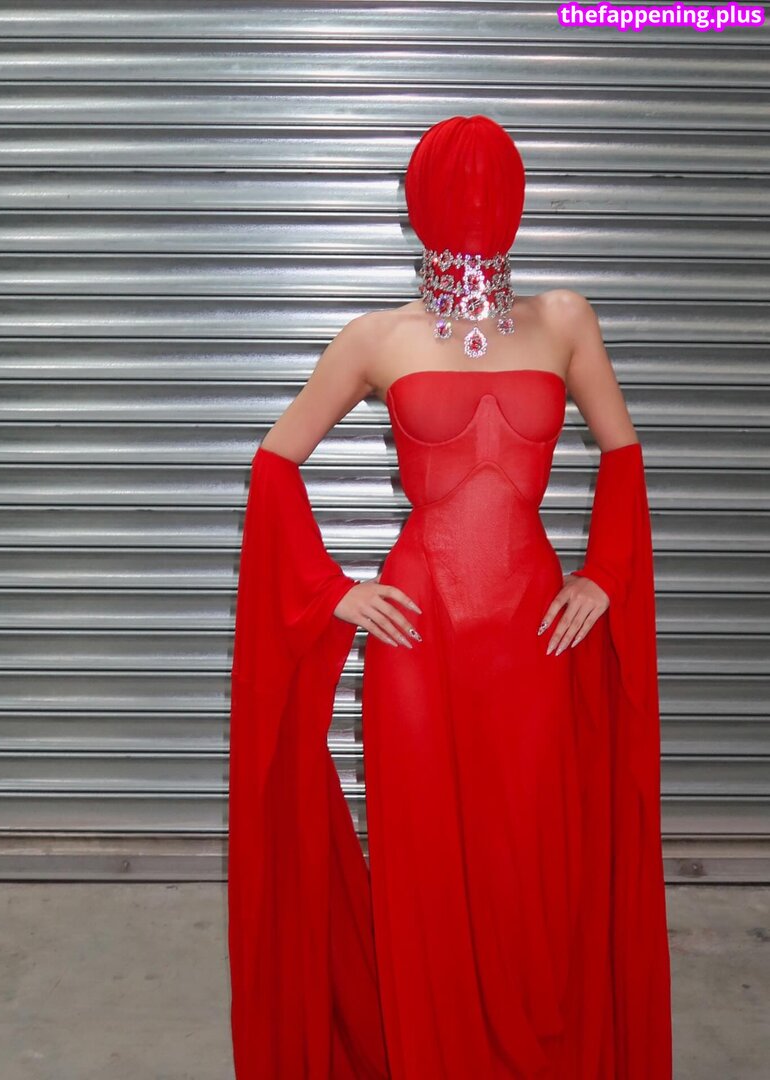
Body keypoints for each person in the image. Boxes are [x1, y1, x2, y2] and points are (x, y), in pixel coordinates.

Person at [228, 114, 673, 1079]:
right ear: (421, 205)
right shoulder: (377, 337)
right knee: (427, 861)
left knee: (531, 864)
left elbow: (623, 451)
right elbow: (275, 461)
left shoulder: (564, 320)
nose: (474, 206)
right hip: (417, 641)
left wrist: (605, 573)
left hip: (535, 639)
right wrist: (332, 590)